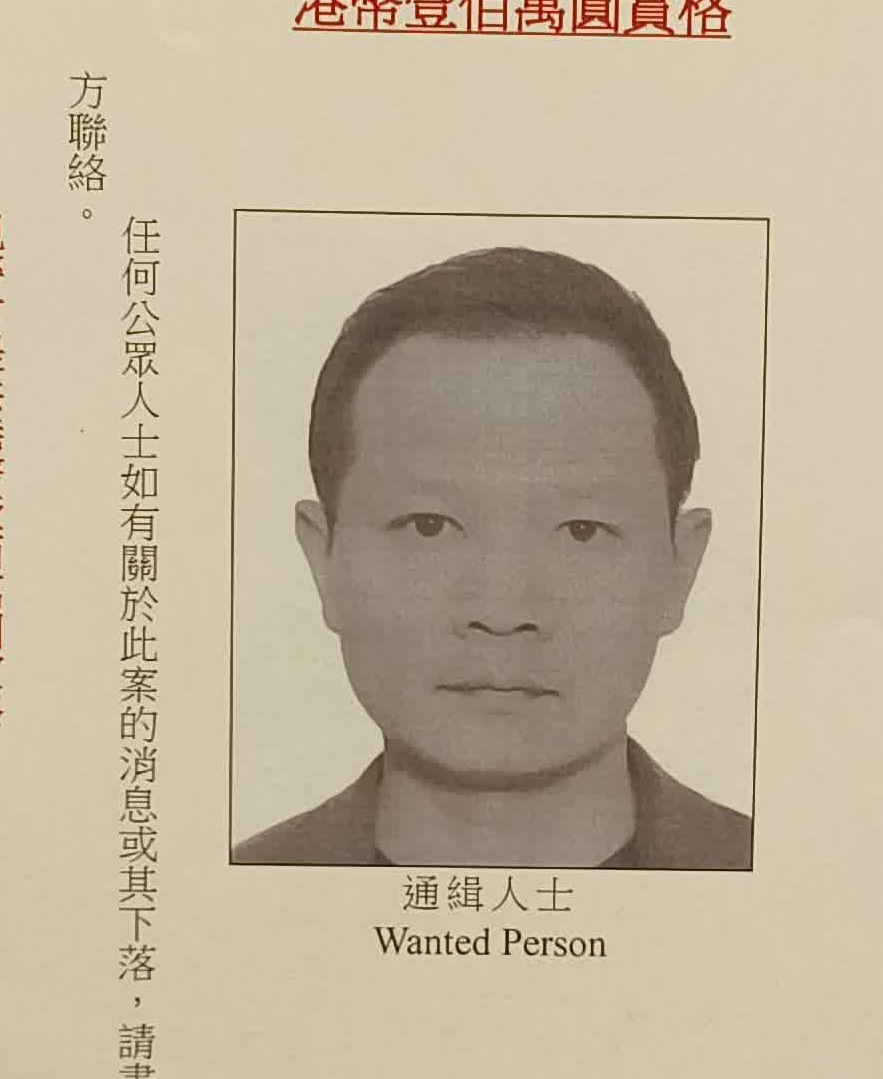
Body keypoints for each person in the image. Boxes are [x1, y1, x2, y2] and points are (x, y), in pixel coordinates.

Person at [233, 245, 752, 869]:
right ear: (324, 558)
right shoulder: (231, 899)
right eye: (429, 527)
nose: (502, 611)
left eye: (581, 531)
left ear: (680, 569)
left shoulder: (788, 886)